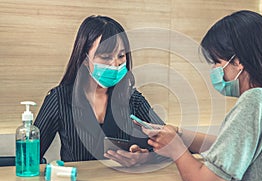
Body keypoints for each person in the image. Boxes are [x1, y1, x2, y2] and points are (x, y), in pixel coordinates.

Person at [141, 10, 262, 181]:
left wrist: (177, 150)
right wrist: (179, 134)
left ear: (238, 61)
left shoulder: (256, 100)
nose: (214, 70)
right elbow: (228, 145)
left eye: (217, 62)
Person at [34, 15, 165, 167]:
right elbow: (29, 157)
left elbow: (171, 146)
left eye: (121, 56)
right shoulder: (59, 99)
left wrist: (144, 158)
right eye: (105, 57)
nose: (115, 64)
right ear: (84, 58)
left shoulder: (132, 98)